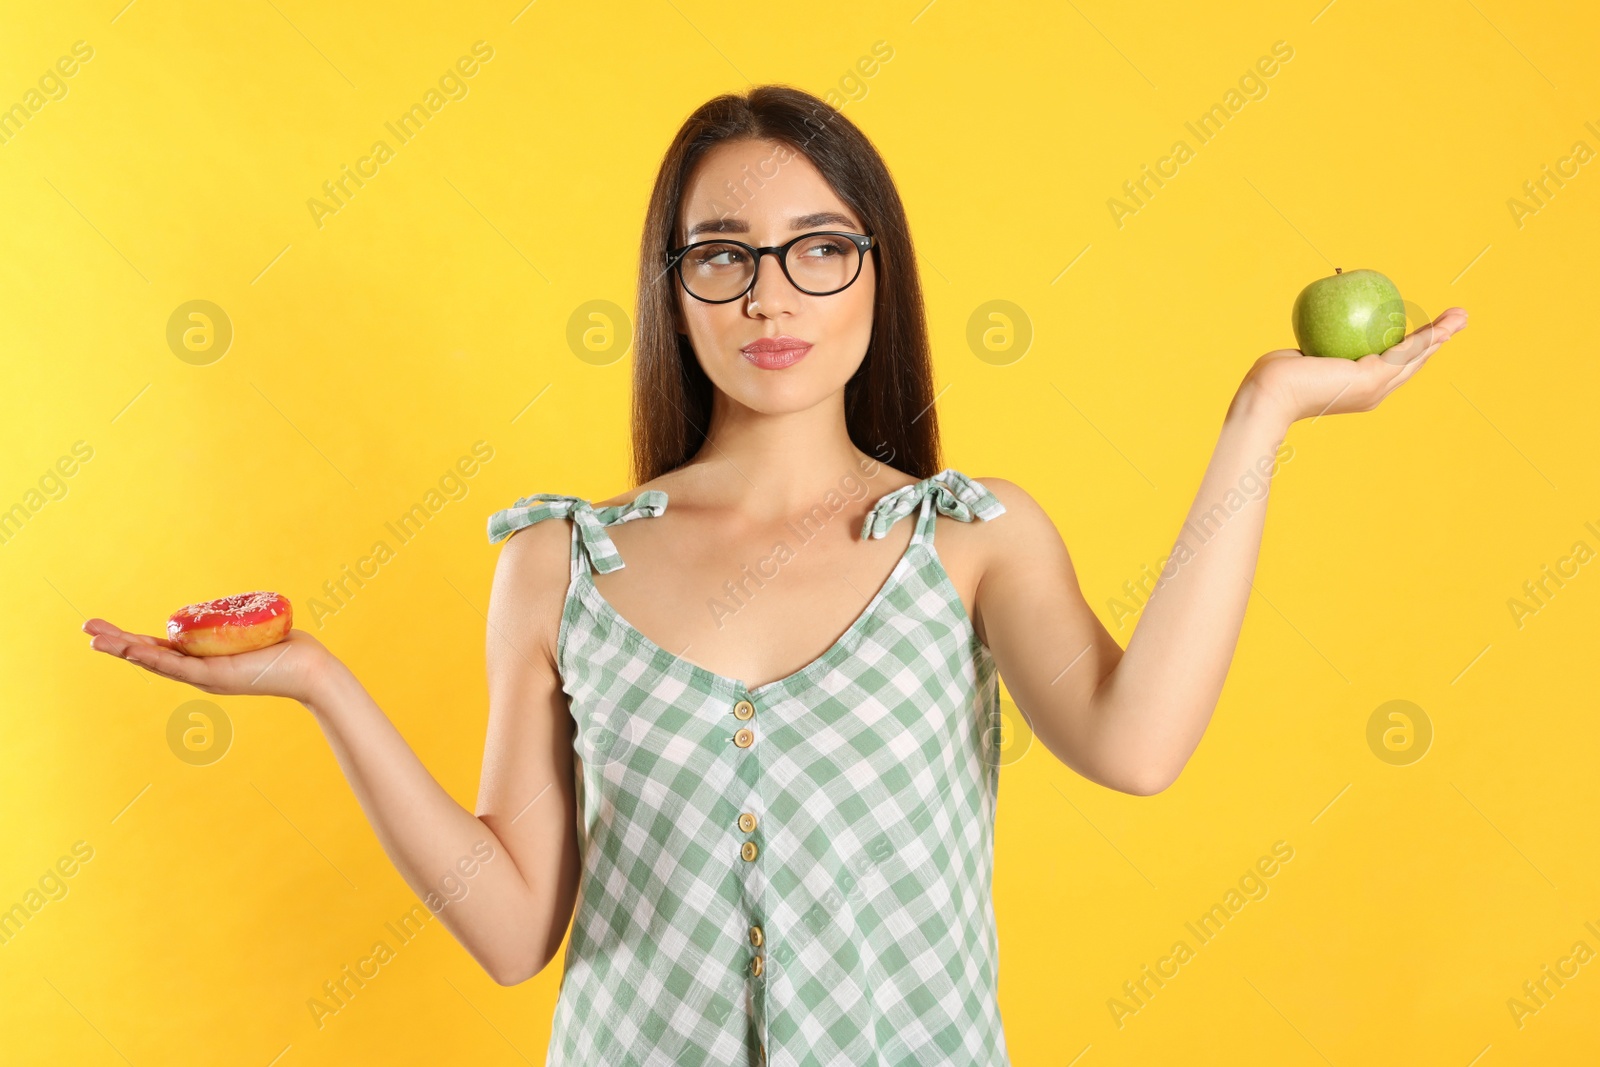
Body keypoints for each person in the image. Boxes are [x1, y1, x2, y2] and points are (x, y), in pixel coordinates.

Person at [83, 84, 1467, 1065]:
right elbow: (514, 933)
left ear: (877, 273)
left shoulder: (969, 537)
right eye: (721, 256)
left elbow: (1139, 744)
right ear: (671, 290)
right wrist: (324, 683)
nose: (769, 296)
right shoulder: (558, 562)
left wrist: (1260, 419)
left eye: (818, 250)